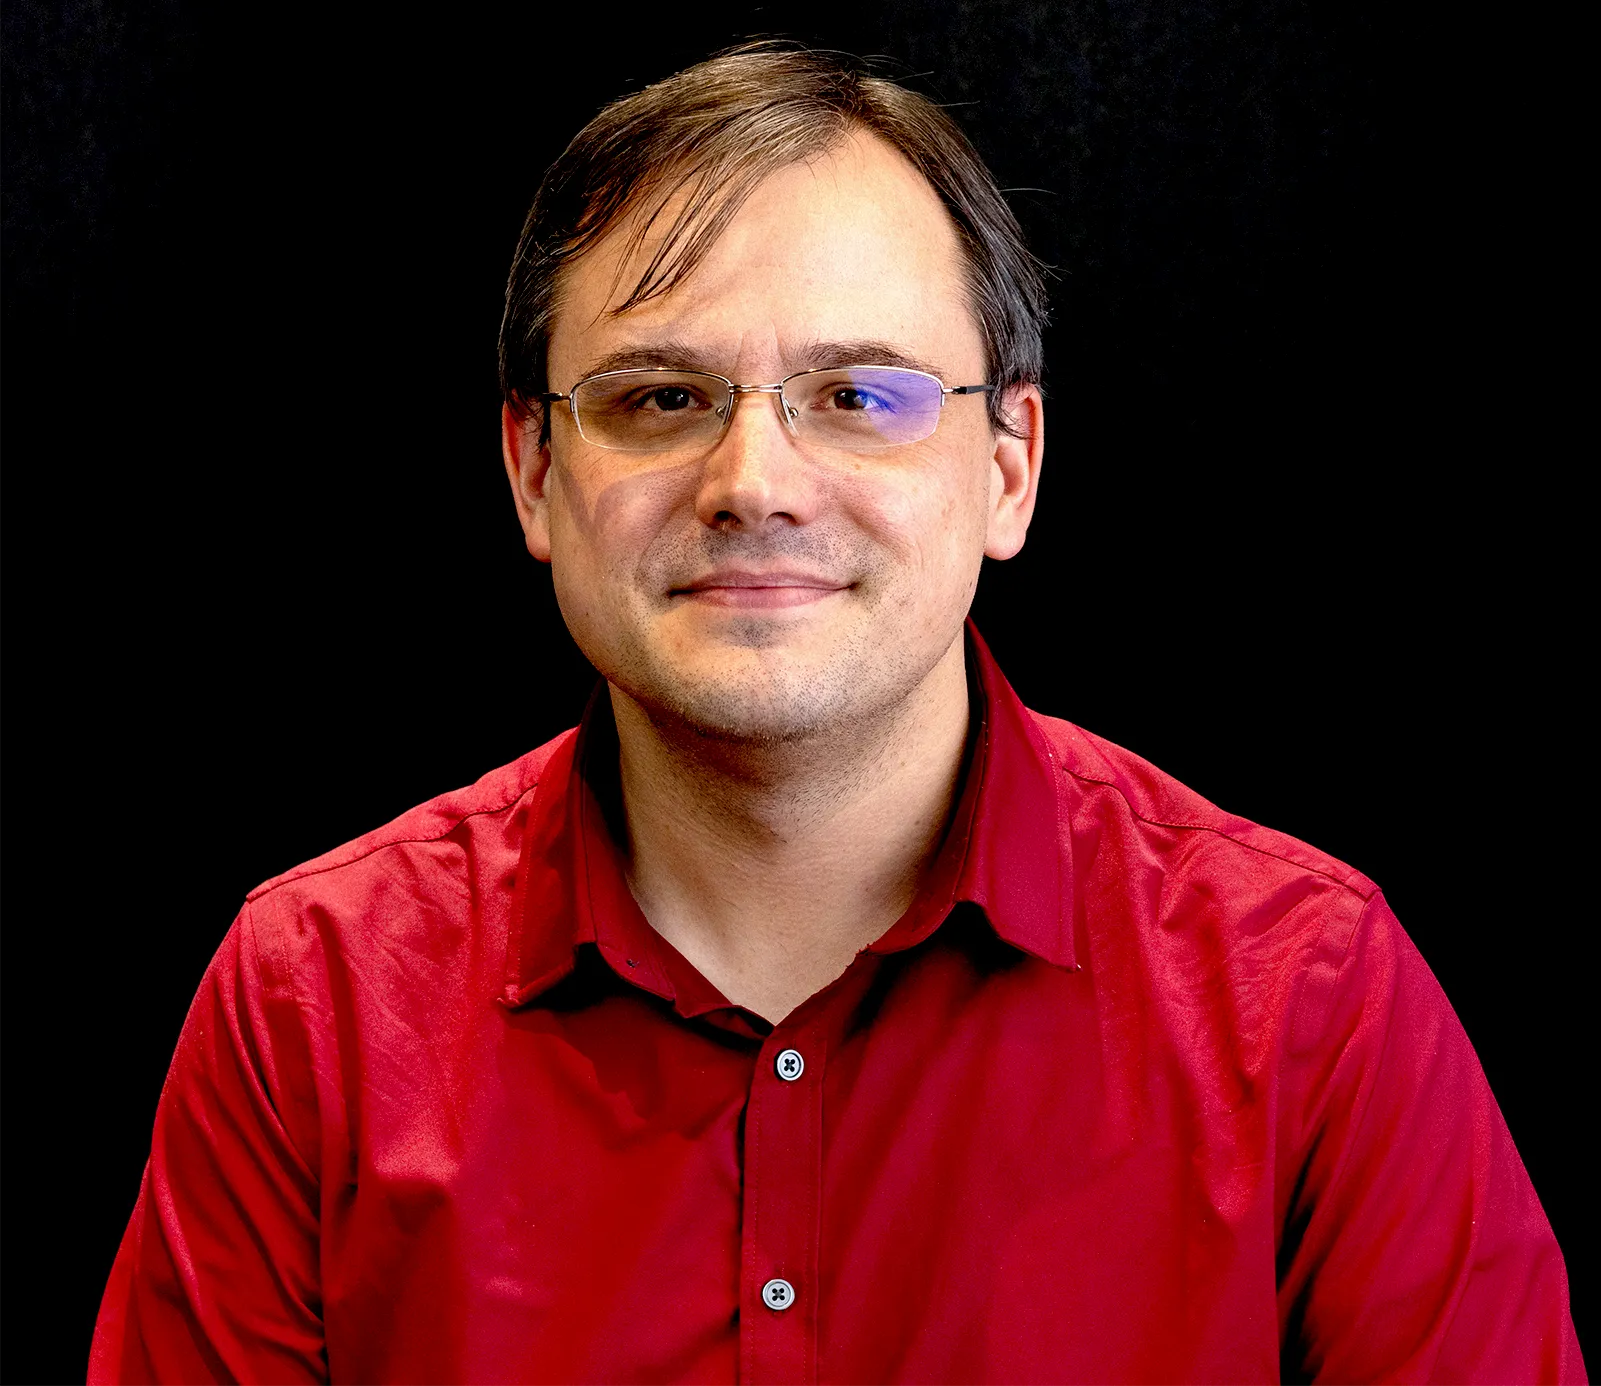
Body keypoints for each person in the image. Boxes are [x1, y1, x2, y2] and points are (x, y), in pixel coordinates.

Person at [90, 43, 1583, 1385]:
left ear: (1012, 464)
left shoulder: (1311, 1001)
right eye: (660, 399)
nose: (756, 482)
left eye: (858, 395)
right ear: (532, 474)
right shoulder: (313, 1003)